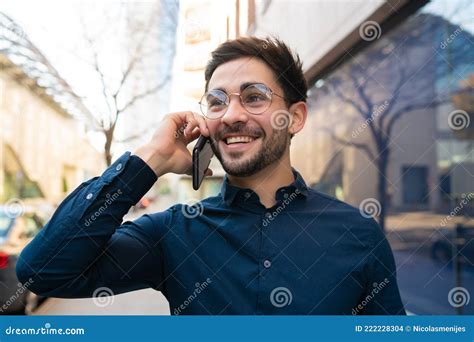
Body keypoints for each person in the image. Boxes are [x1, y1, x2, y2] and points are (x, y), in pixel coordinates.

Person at [16, 36, 405, 315]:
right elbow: (42, 272)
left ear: (296, 117)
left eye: (254, 97)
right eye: (217, 102)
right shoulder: (173, 233)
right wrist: (150, 159)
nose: (232, 115)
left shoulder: (358, 234)